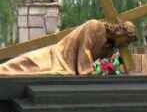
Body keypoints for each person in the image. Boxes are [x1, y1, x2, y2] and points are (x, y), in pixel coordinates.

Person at [0, 20, 136, 75]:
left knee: (27, 70)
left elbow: (103, 65)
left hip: (67, 67)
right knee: (25, 63)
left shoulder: (109, 47)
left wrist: (116, 63)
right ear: (120, 31)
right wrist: (88, 71)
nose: (125, 44)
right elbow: (85, 49)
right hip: (57, 55)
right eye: (126, 40)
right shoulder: (95, 26)